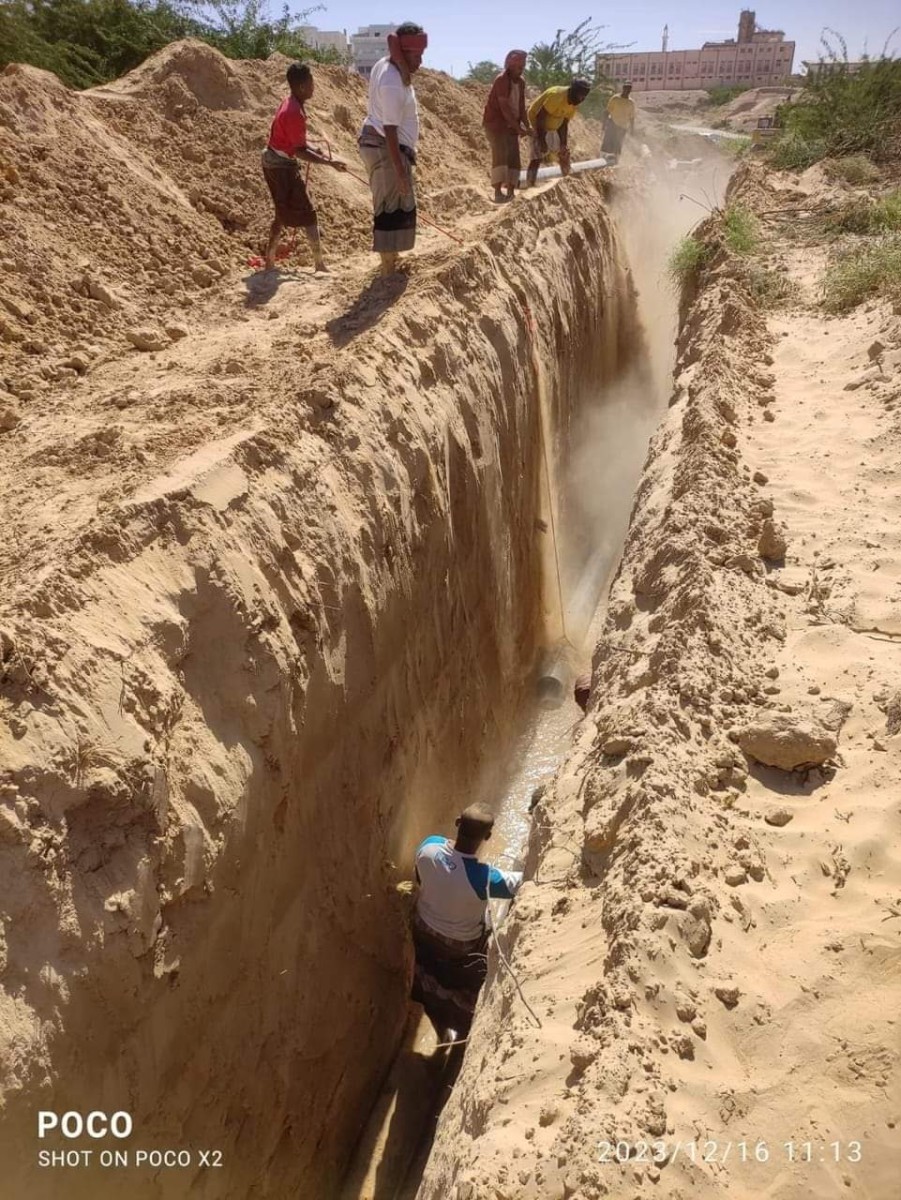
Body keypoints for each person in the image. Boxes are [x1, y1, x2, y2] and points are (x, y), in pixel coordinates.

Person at [411, 805, 522, 1043]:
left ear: (457, 822)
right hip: (460, 947)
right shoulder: (484, 878)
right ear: (488, 837)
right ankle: (463, 1033)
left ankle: (441, 1034)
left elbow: (419, 878)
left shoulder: (428, 846)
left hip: (422, 929)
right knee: (467, 994)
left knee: (426, 985)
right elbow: (520, 883)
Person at [261, 62, 347, 273]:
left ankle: (270, 262)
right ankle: (319, 264)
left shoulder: (291, 103)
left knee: (281, 214)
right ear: (301, 87)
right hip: (281, 166)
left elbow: (297, 144)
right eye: (311, 82)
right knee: (309, 213)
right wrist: (328, 163)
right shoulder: (293, 113)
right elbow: (298, 151)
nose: (314, 86)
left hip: (275, 162)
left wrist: (318, 151)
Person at [358, 22, 428, 276]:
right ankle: (387, 269)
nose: (420, 61)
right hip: (384, 146)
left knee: (397, 205)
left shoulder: (393, 69)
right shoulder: (391, 79)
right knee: (388, 206)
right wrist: (399, 172)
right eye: (417, 56)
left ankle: (392, 260)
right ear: (404, 52)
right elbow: (389, 129)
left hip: (390, 147)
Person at [524, 78, 591, 188]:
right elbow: (540, 117)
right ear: (573, 91)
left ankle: (566, 177)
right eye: (580, 95)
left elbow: (564, 124)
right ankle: (530, 184)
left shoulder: (574, 104)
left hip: (552, 125)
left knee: (563, 153)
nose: (582, 99)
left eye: (584, 97)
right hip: (536, 122)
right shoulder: (557, 96)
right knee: (537, 157)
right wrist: (542, 141)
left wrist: (563, 144)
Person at [482, 50, 530, 204]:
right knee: (500, 156)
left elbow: (521, 107)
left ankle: (511, 191)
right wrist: (518, 128)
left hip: (510, 125)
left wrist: (527, 126)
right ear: (510, 65)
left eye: (522, 67)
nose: (520, 70)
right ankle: (497, 192)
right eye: (518, 66)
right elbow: (504, 108)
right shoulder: (501, 80)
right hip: (496, 124)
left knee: (514, 157)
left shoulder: (521, 82)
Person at [602, 83, 636, 162]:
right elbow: (607, 111)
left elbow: (632, 117)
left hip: (623, 127)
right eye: (626, 88)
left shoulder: (631, 103)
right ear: (623, 88)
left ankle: (615, 162)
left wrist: (632, 129)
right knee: (607, 142)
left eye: (629, 89)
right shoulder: (615, 98)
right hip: (612, 123)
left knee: (618, 145)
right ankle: (602, 159)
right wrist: (604, 124)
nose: (627, 91)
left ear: (630, 90)